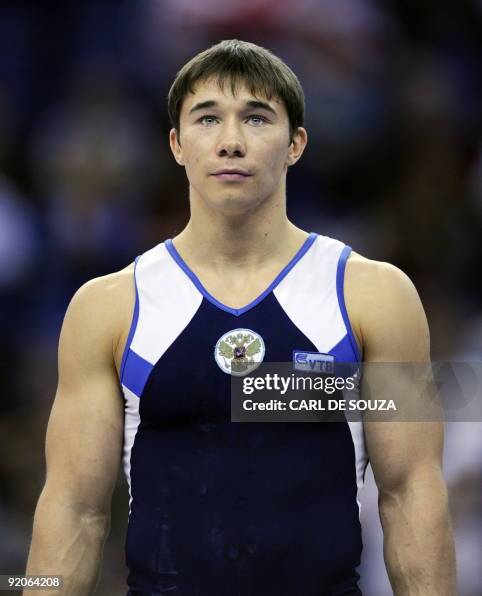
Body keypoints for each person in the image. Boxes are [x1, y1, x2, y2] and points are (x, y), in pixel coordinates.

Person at [26, 40, 456, 595]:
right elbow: (74, 510)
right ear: (177, 145)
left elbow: (410, 494)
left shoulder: (373, 296)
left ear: (296, 144)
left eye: (256, 118)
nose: (231, 142)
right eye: (208, 119)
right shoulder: (109, 307)